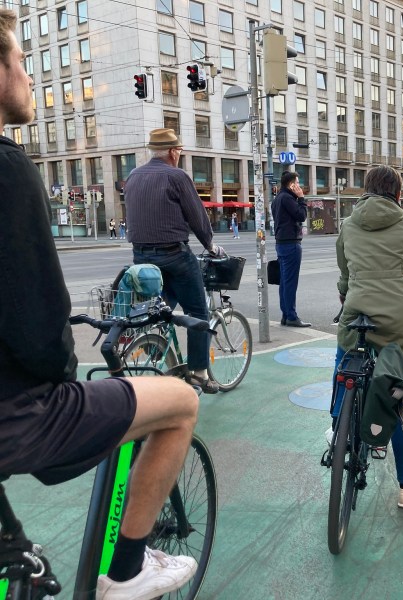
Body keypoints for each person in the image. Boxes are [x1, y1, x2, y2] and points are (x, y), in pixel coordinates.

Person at [0, 10, 199, 599]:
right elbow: (38, 327)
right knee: (183, 398)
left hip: (138, 251)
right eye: (20, 61)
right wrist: (63, 381)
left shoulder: (134, 177)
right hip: (14, 413)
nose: (31, 78)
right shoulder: (9, 171)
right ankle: (128, 570)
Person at [333, 165, 403, 507]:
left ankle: (337, 424)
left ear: (365, 190)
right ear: (398, 194)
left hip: (359, 314)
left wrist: (348, 294)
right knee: (402, 402)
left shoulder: (347, 225)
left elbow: (345, 273)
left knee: (344, 362)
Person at [124, 128, 224, 394]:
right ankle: (199, 374)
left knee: (159, 307)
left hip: (141, 256)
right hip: (174, 255)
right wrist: (210, 246)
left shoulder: (133, 176)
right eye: (179, 150)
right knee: (198, 312)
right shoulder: (177, 175)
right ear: (172, 152)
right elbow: (197, 216)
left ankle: (152, 344)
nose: (179, 154)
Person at [271, 170, 310, 327]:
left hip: (281, 243)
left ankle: (286, 315)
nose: (299, 187)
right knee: (290, 282)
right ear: (292, 184)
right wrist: (301, 198)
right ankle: (291, 317)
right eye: (298, 183)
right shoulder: (288, 198)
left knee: (285, 281)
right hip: (291, 244)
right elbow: (301, 215)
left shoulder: (277, 199)